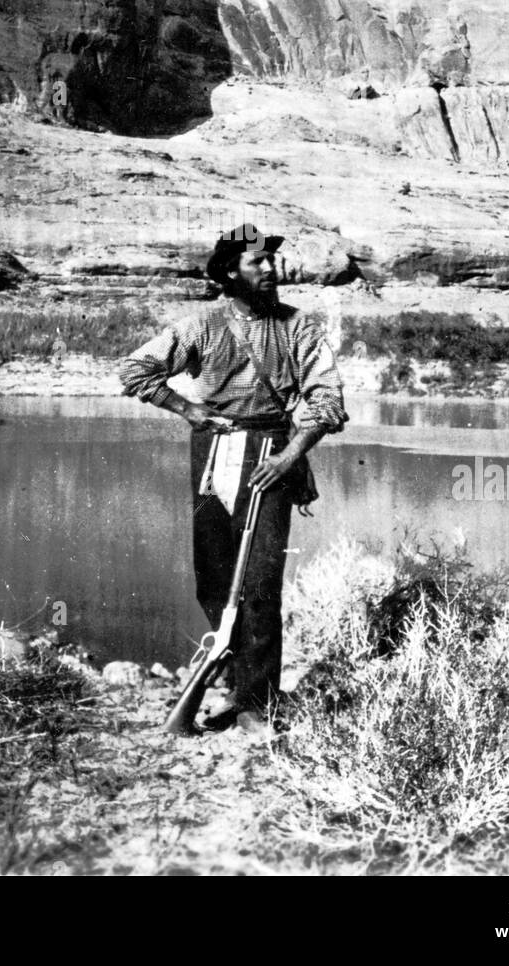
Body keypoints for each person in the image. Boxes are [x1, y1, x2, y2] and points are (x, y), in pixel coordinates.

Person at [119, 223, 346, 738]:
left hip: (272, 455)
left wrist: (288, 460)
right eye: (258, 263)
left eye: (272, 262)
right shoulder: (200, 326)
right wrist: (186, 409)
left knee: (261, 585)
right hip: (214, 455)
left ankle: (256, 706)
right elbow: (136, 370)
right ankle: (234, 673)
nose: (271, 270)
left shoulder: (300, 327)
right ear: (228, 273)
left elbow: (328, 403)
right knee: (216, 582)